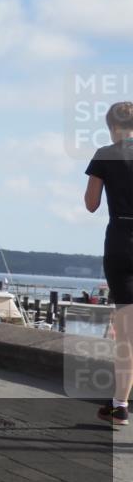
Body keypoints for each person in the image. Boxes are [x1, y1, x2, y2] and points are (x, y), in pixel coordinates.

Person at [85, 101, 133, 427]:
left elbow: (91, 204)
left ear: (111, 126)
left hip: (121, 244)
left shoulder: (105, 153)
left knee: (126, 334)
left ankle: (120, 405)